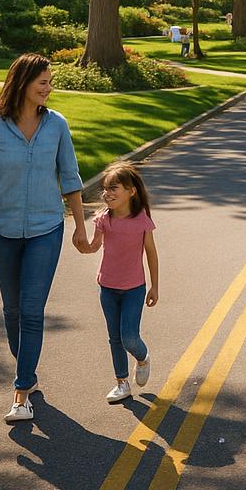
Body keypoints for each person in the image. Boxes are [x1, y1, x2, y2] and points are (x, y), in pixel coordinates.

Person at [0, 53, 88, 423]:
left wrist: (80, 226)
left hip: (46, 229)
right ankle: (29, 374)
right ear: (23, 83)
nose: (49, 89)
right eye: (43, 83)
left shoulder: (57, 125)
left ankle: (21, 393)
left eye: (50, 83)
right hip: (1, 231)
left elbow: (70, 178)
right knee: (12, 310)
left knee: (32, 310)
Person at [83, 164, 159, 404]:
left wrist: (154, 286)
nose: (107, 193)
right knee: (114, 337)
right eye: (105, 189)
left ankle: (143, 356)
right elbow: (94, 246)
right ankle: (121, 383)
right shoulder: (104, 219)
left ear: (131, 191)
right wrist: (83, 245)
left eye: (113, 188)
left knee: (129, 337)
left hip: (134, 289)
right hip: (107, 287)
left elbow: (151, 254)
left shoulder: (142, 221)